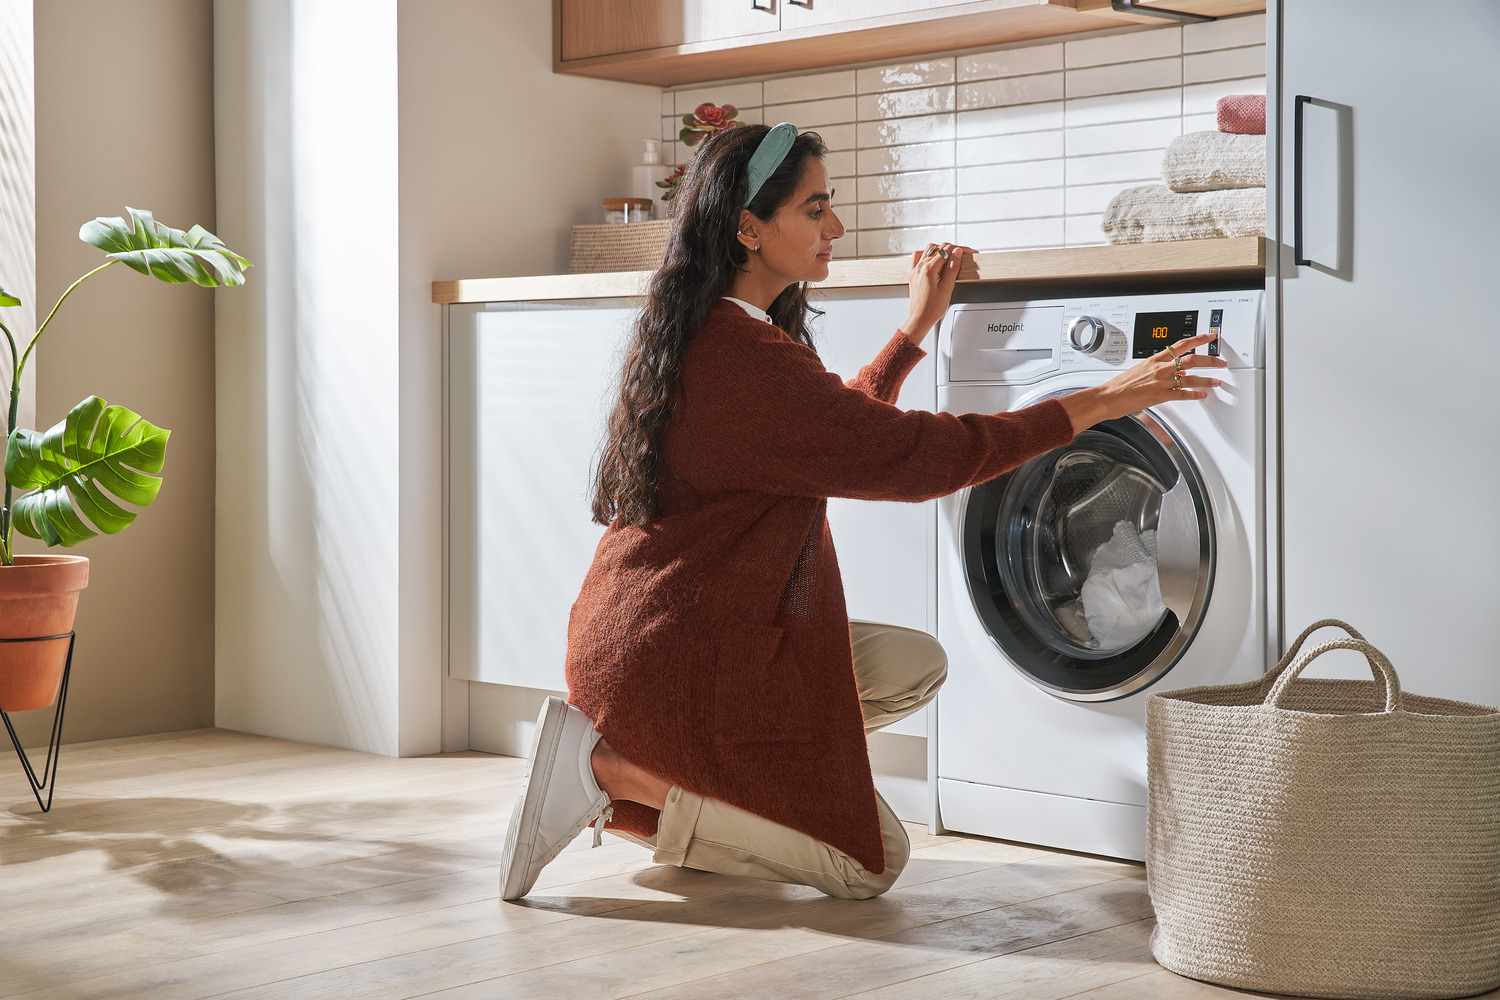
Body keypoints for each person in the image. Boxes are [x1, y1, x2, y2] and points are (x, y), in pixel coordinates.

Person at [498, 122, 1226, 902]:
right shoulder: (741, 358)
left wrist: (911, 333)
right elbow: (918, 459)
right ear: (748, 227)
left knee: (915, 666)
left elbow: (835, 433)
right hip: (675, 664)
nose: (836, 228)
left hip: (663, 642)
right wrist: (1099, 400)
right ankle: (605, 770)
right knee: (866, 862)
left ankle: (702, 798)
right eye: (816, 210)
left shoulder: (719, 335)